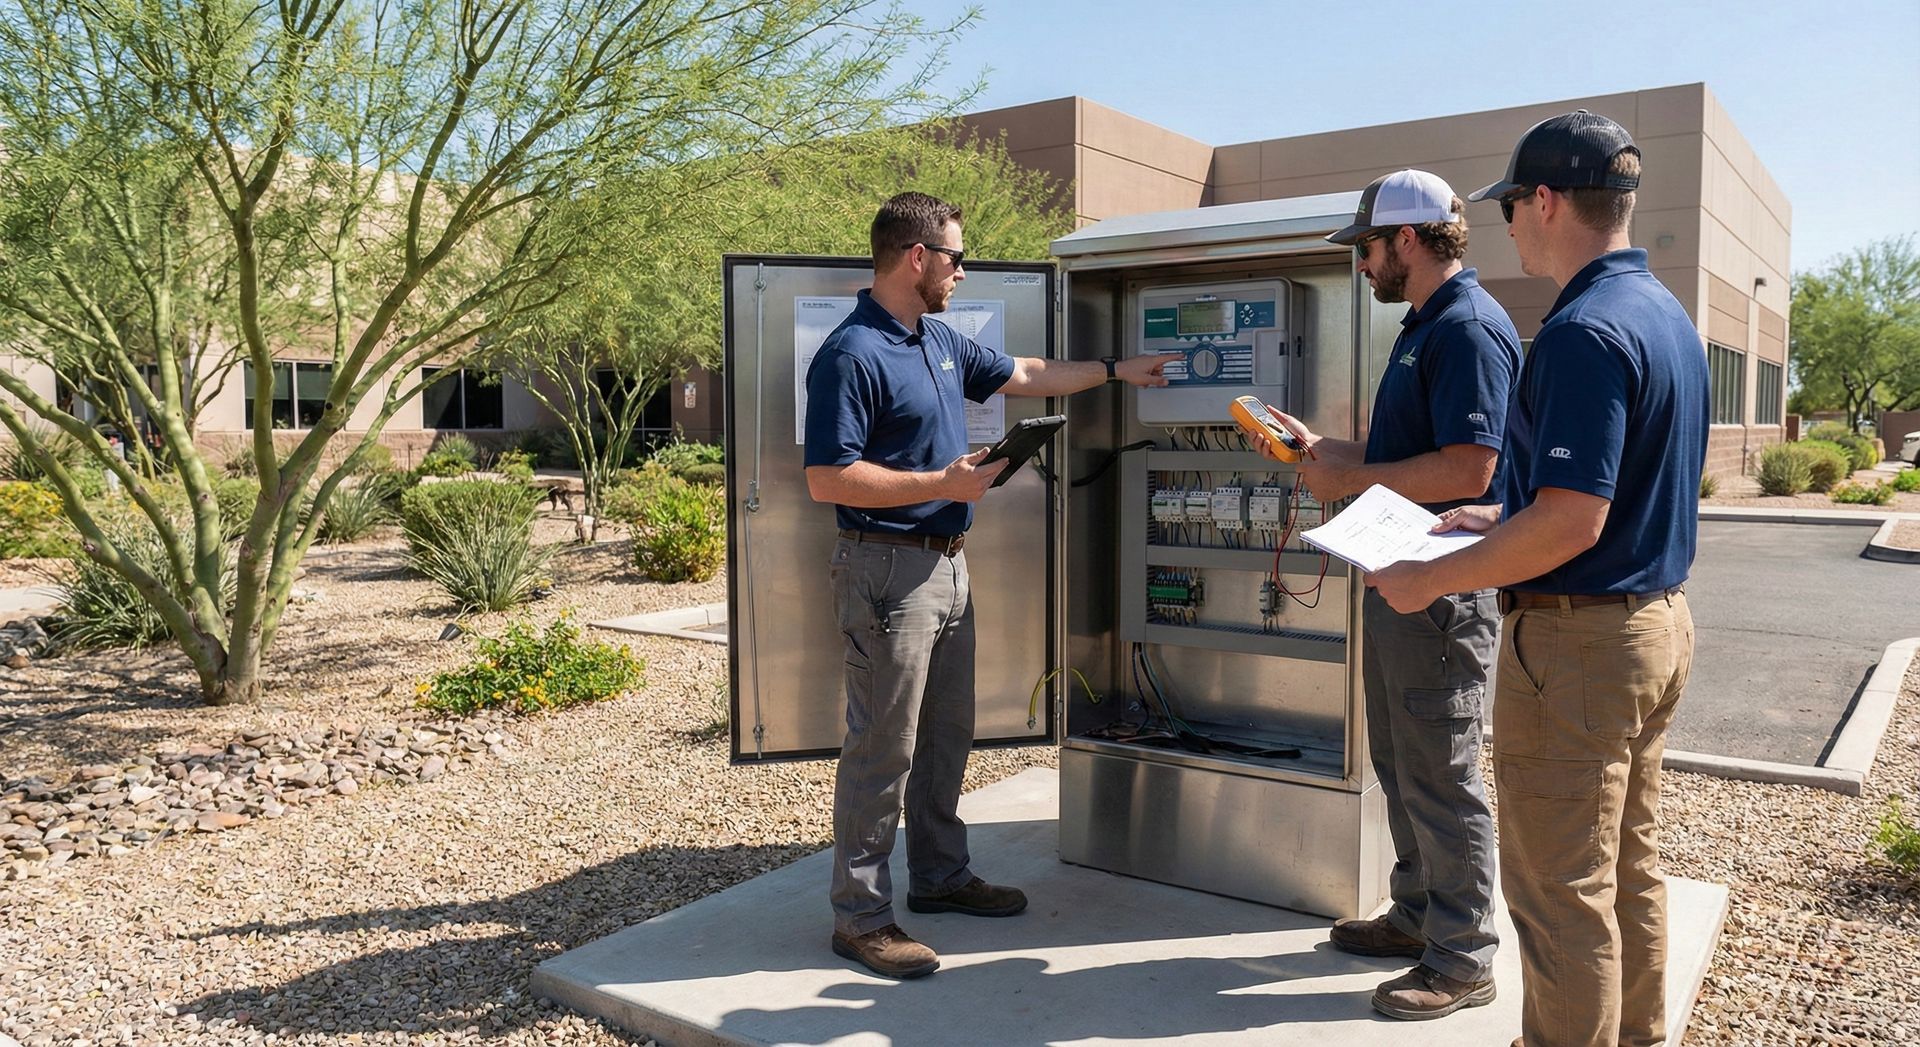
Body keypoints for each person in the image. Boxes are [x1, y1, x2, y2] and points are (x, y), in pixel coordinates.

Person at [1367, 111, 1709, 1047]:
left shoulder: (1582, 331)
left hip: (1579, 642)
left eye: (1510, 205)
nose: (1506, 225)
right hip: (1654, 623)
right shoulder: (1665, 314)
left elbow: (1571, 522)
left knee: (1559, 890)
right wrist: (1496, 516)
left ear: (1546, 201)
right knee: (1625, 868)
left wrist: (1430, 577)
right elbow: (1603, 491)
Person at [803, 191, 1167, 980]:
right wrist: (942, 481)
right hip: (886, 569)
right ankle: (860, 917)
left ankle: (939, 875)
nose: (962, 272)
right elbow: (827, 477)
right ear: (917, 257)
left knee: (945, 734)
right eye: (956, 257)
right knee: (882, 747)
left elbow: (1026, 372)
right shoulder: (851, 353)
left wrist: (1118, 371)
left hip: (947, 563)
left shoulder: (936, 338)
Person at [1251, 169, 1519, 1022]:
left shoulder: (1467, 328)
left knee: (1442, 771)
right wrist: (1326, 451)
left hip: (1442, 592)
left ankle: (1463, 955)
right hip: (1403, 583)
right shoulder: (1425, 326)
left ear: (1406, 239)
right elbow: (1411, 454)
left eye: (1366, 247)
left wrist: (1353, 478)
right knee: (1402, 761)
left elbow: (1471, 467)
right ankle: (1417, 914)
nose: (1361, 263)